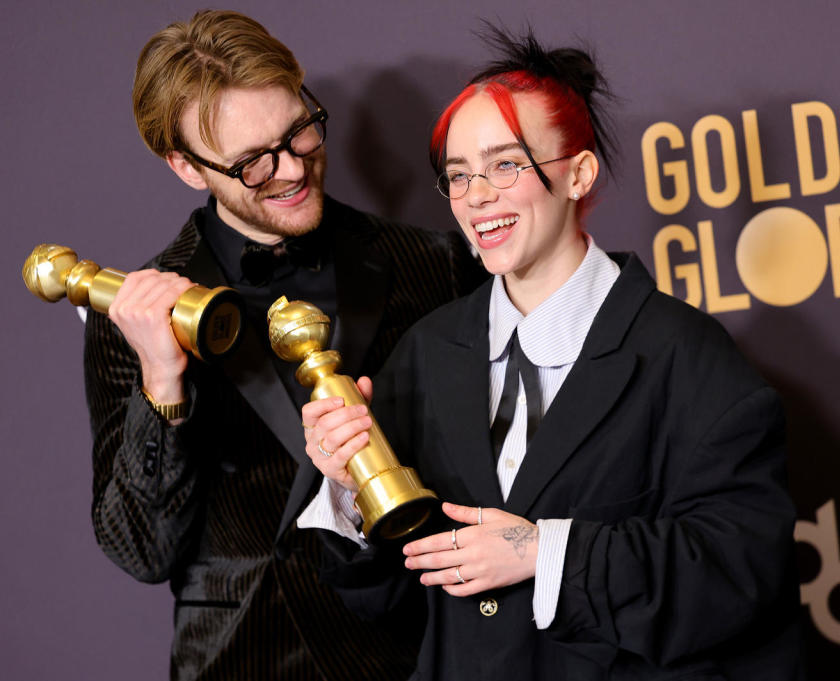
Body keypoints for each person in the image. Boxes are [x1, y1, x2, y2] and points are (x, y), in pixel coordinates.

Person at [300, 26, 802, 681]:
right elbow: (387, 599)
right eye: (458, 175)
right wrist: (349, 485)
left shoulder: (684, 354)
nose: (477, 196)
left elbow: (743, 569)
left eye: (505, 164)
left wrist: (545, 550)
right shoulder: (427, 353)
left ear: (579, 173)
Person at [85, 10, 484, 680]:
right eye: (252, 162)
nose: (293, 168)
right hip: (243, 658)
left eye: (299, 130)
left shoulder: (433, 262)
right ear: (186, 166)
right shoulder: (132, 315)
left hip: (413, 653)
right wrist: (162, 383)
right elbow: (142, 551)